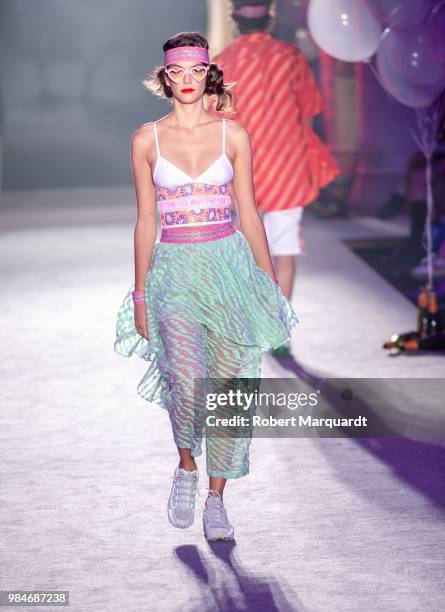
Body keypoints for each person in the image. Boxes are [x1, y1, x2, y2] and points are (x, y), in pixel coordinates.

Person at [113, 31, 299, 541]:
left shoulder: (232, 136)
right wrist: (140, 294)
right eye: (179, 72)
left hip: (228, 268)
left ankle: (217, 499)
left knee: (230, 385)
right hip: (172, 271)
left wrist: (270, 286)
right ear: (165, 76)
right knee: (186, 382)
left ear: (207, 73)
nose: (188, 80)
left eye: (197, 71)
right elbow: (145, 222)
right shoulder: (145, 140)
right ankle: (186, 468)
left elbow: (251, 214)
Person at [209, 0, 340, 356]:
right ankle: (278, 332)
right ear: (270, 18)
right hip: (287, 167)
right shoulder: (290, 57)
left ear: (234, 20)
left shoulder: (222, 62)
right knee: (284, 248)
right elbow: (311, 107)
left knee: (249, 251)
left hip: (243, 171)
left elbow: (212, 120)